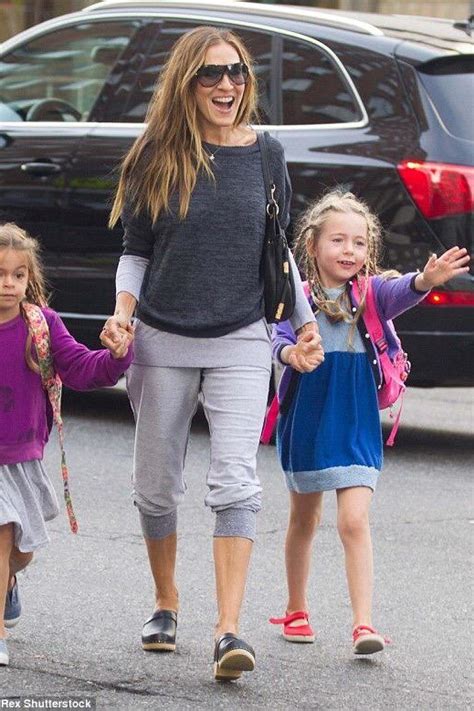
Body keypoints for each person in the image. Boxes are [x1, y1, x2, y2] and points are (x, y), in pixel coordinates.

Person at [104, 25, 323, 681]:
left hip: (242, 336)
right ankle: (166, 601)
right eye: (211, 74)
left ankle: (229, 627)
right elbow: (136, 250)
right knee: (156, 487)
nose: (227, 84)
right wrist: (123, 312)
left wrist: (304, 323)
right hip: (162, 337)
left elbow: (277, 250)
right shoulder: (155, 154)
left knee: (237, 479)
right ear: (186, 82)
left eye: (236, 73)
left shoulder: (268, 155)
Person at [269, 190, 470, 654]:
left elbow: (404, 291)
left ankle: (364, 624)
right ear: (313, 245)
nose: (349, 252)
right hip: (309, 418)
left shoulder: (372, 293)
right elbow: (274, 339)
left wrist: (425, 279)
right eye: (338, 241)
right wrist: (290, 352)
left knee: (354, 521)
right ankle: (297, 607)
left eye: (359, 244)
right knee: (304, 518)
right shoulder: (297, 298)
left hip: (357, 420)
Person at [0, 223, 133, 667]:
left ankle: (8, 582)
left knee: (22, 550)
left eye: (18, 274)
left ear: (28, 279)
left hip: (22, 455)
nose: (8, 282)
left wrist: (116, 357)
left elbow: (80, 369)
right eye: (0, 272)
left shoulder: (41, 325)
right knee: (0, 536)